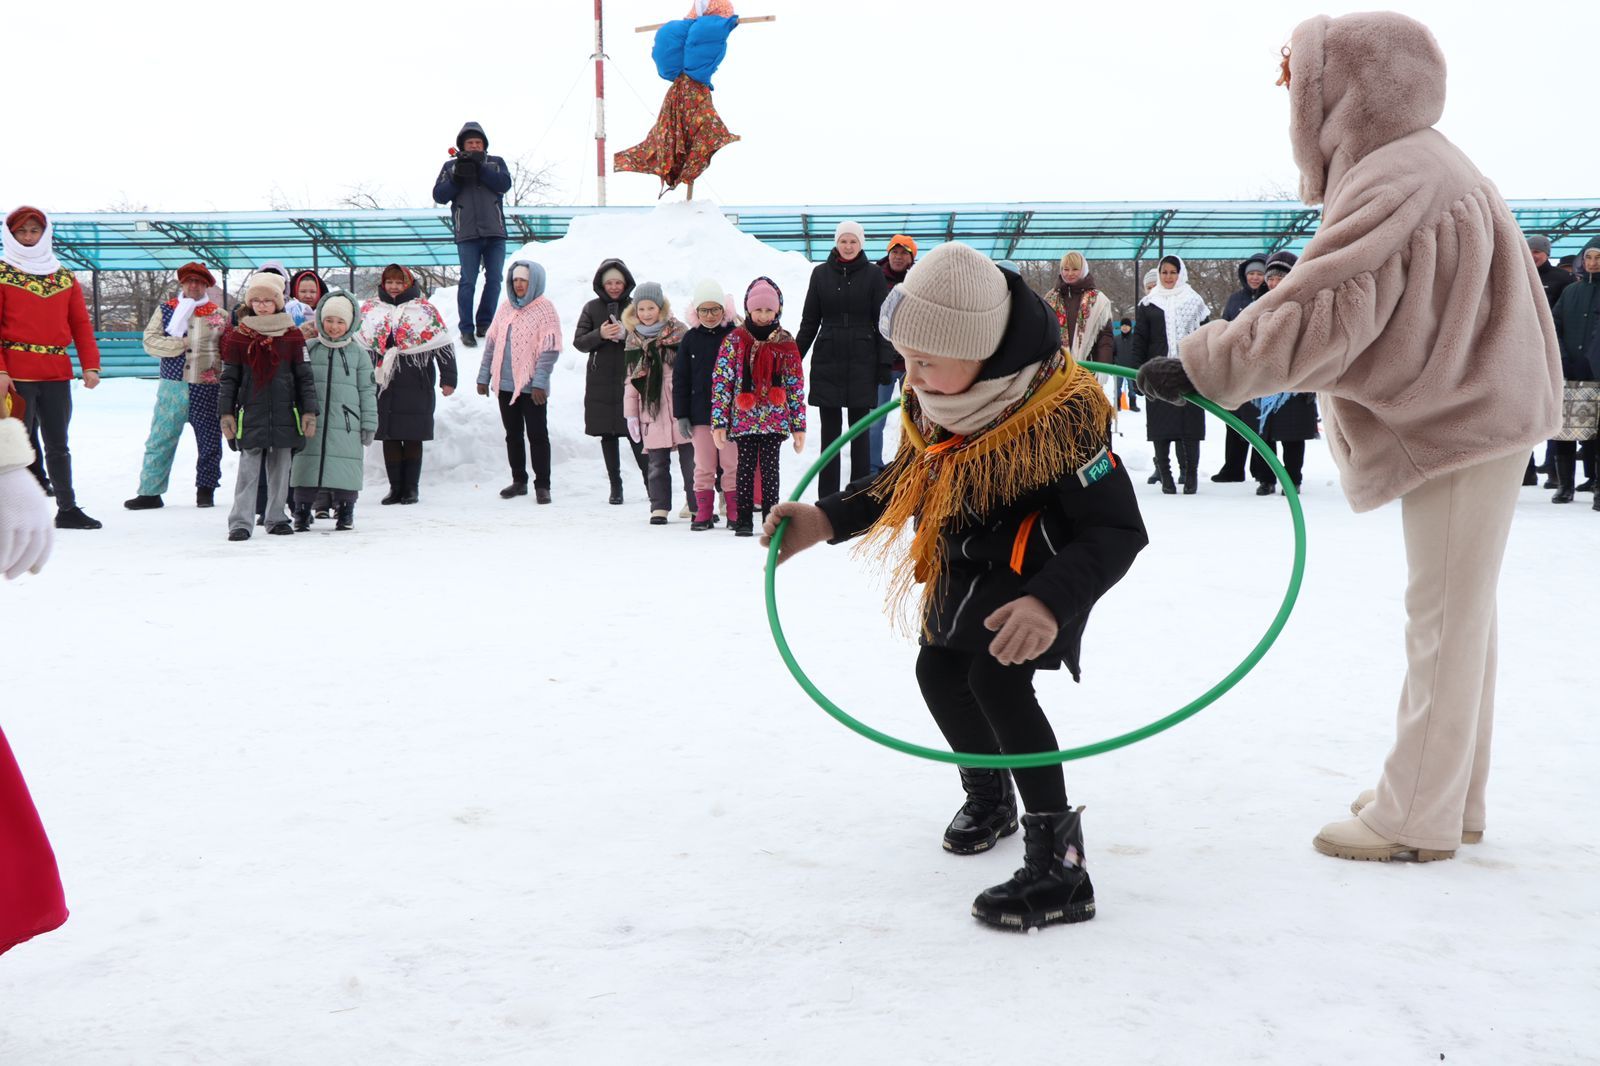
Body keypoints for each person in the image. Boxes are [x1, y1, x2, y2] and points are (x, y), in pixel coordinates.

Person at [1140, 12, 1562, 862]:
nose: (1292, 101)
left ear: (1348, 90)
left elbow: (1328, 303)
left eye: (1301, 84)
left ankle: (1416, 817)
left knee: (1443, 616)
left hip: (1461, 417)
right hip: (1479, 410)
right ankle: (1448, 797)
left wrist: (1208, 365)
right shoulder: (1425, 165)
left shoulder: (1397, 175)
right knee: (1459, 614)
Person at [762, 243, 1147, 931]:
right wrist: (826, 518)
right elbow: (901, 482)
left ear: (984, 352)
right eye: (904, 361)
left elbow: (1116, 531)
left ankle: (1060, 865)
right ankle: (989, 795)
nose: (910, 378)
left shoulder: (1061, 418)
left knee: (997, 682)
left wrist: (1051, 602)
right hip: (964, 563)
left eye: (926, 362)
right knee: (938, 672)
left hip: (1038, 574)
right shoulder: (936, 401)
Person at [0, 206, 102, 530]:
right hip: (16, 376)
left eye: (34, 231)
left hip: (57, 372)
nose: (29, 237)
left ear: (44, 235)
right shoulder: (1, 273)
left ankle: (67, 508)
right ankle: (18, 514)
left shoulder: (63, 276)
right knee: (16, 445)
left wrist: (91, 365)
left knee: (58, 444)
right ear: (11, 235)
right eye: (22, 232)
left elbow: (81, 325)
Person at [218, 272, 318, 540]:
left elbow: (304, 377)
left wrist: (309, 411)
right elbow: (229, 378)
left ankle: (276, 517)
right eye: (257, 300)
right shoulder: (239, 336)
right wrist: (226, 412)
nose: (262, 305)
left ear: (278, 302)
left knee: (280, 470)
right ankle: (240, 521)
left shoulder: (292, 336)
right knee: (248, 470)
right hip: (251, 414)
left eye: (268, 300)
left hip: (286, 413)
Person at [796, 221, 892, 498]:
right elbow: (809, 321)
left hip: (863, 356)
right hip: (828, 357)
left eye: (853, 242)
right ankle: (827, 497)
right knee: (830, 434)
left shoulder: (874, 275)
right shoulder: (820, 274)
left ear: (861, 244)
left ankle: (857, 497)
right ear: (836, 243)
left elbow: (883, 321)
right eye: (843, 241)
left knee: (859, 432)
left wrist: (885, 361)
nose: (848, 246)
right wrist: (793, 359)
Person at [125, 262, 226, 510]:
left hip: (207, 385)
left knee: (210, 440)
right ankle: (150, 492)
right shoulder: (166, 310)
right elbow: (150, 342)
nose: (194, 286)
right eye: (190, 281)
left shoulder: (219, 315)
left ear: (206, 286)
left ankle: (206, 490)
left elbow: (226, 349)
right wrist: (182, 344)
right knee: (160, 438)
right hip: (173, 385)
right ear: (181, 283)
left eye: (200, 282)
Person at [712, 277, 805, 536]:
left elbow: (795, 385)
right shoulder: (735, 340)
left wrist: (798, 425)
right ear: (748, 310)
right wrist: (719, 421)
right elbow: (722, 382)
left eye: (768, 310)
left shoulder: (786, 341)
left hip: (775, 418)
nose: (763, 315)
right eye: (758, 309)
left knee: (770, 470)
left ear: (777, 311)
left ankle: (770, 519)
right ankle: (743, 519)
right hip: (744, 418)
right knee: (745, 468)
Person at [358, 266, 457, 505]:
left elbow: (442, 344)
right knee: (389, 435)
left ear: (408, 283)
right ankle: (395, 488)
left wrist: (448, 378)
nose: (393, 286)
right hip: (382, 383)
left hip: (416, 381)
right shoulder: (370, 310)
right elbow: (359, 343)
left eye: (398, 282)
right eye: (389, 282)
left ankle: (411, 488)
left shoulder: (424, 310)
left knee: (413, 435)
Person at [289, 291, 376, 532]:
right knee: (305, 465)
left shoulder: (358, 354)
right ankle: (302, 511)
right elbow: (296, 384)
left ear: (349, 324)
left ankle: (346, 510)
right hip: (311, 422)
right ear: (320, 321)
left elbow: (368, 390)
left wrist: (369, 423)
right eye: (329, 320)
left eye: (340, 322)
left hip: (347, 422)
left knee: (346, 467)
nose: (334, 327)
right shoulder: (309, 348)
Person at [477, 261, 561, 504]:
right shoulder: (505, 308)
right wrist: (484, 377)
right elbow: (492, 343)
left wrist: (539, 382)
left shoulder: (545, 309)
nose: (519, 284)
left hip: (531, 386)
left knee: (537, 435)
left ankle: (542, 485)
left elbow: (550, 350)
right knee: (512, 434)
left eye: (523, 280)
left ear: (534, 281)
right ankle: (519, 480)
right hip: (505, 384)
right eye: (515, 280)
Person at [1131, 255, 1209, 494]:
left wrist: (1207, 371)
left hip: (1188, 372)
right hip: (1158, 372)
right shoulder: (1148, 304)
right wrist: (1137, 374)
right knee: (1160, 427)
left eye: (1173, 272)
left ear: (1180, 273)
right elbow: (1140, 340)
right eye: (1164, 272)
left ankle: (1192, 475)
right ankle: (1166, 475)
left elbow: (1206, 337)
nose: (1168, 277)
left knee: (1190, 426)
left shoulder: (1195, 301)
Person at [432, 122, 513, 348]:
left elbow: (504, 184)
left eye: (478, 142)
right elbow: (439, 195)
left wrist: (480, 168)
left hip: (495, 232)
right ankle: (466, 328)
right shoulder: (450, 166)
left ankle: (485, 323)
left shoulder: (495, 163)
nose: (475, 146)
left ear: (484, 145)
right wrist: (457, 177)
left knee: (495, 278)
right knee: (468, 280)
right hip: (467, 233)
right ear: (462, 145)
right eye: (470, 143)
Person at [575, 259, 648, 504]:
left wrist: (626, 335)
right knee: (607, 435)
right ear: (601, 284)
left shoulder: (637, 307)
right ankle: (615, 487)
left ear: (626, 282)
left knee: (636, 434)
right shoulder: (591, 308)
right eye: (610, 283)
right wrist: (600, 334)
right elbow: (579, 342)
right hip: (601, 380)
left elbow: (648, 337)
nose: (615, 287)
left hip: (631, 379)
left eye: (618, 282)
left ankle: (651, 483)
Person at [621, 281, 694, 524]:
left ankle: (696, 505)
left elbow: (690, 372)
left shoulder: (679, 333)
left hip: (680, 407)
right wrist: (630, 414)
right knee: (656, 464)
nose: (646, 314)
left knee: (691, 462)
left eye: (651, 308)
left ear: (660, 308)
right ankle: (659, 507)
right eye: (641, 309)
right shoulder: (633, 340)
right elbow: (631, 380)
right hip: (650, 409)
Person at [675, 279, 739, 530]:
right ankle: (703, 512)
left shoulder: (735, 336)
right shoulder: (690, 339)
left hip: (731, 417)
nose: (710, 315)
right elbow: (680, 379)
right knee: (703, 466)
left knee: (731, 465)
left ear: (724, 310)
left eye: (715, 309)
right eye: (704, 310)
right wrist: (682, 414)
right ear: (696, 312)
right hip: (700, 415)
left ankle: (734, 511)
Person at [1548, 236, 1600, 508]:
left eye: (1598, 258)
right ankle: (1565, 486)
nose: (1592, 263)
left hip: (1597, 373)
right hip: (1570, 371)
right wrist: (1562, 356)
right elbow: (1554, 325)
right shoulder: (1571, 291)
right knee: (1564, 429)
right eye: (1589, 257)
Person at [1211, 255, 1270, 483]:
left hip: (1260, 369)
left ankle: (1260, 468)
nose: (1255, 277)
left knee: (1259, 421)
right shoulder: (1235, 299)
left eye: (1259, 273)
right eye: (1251, 273)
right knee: (1233, 417)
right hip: (1236, 368)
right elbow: (1225, 327)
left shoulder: (1271, 297)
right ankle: (1233, 468)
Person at [1527, 234, 1577, 487]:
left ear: (1547, 253)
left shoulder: (1562, 279)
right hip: (1523, 352)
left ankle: (1555, 468)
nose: (1533, 255)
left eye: (1538, 251)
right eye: (1530, 250)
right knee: (1522, 411)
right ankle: (1526, 472)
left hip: (1552, 353)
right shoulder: (1517, 274)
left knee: (1552, 408)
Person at [869, 235, 917, 473]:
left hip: (911, 363)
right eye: (895, 252)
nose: (898, 257)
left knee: (913, 419)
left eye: (904, 253)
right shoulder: (874, 277)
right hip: (882, 363)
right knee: (875, 420)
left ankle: (909, 464)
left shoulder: (919, 280)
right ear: (888, 254)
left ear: (912, 258)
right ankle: (872, 468)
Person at [1111, 318, 1140, 412]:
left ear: (1130, 327)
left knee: (1132, 388)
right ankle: (1117, 404)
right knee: (1117, 387)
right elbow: (1113, 352)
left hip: (1131, 368)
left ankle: (1133, 404)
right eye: (1123, 326)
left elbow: (1137, 352)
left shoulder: (1135, 339)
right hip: (1119, 367)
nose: (1124, 328)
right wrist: (1114, 362)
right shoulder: (1116, 339)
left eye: (1126, 326)